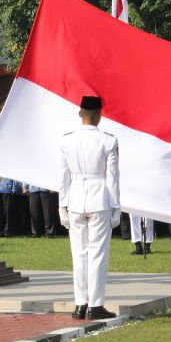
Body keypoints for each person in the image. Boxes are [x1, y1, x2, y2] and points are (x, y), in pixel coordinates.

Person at [59, 96, 120, 320]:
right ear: (100, 115)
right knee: (98, 254)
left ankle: (80, 304)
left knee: (79, 254)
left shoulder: (67, 141)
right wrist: (116, 206)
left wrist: (62, 205)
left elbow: (63, 177)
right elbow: (112, 177)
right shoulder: (108, 141)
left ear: (80, 113)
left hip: (75, 197)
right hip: (99, 198)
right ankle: (95, 304)